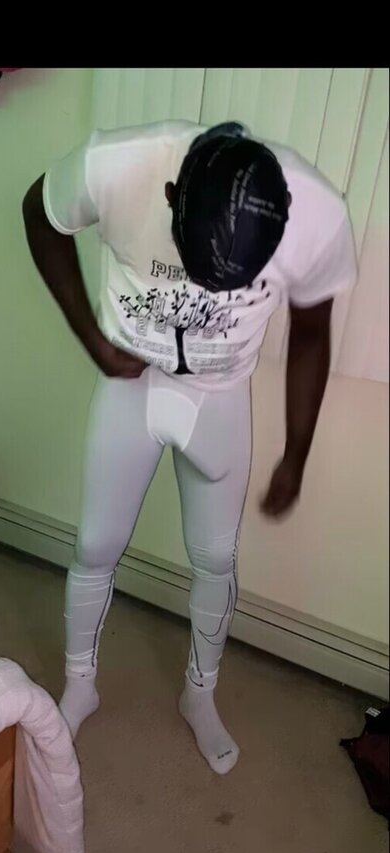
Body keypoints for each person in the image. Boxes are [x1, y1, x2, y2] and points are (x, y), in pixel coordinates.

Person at [23, 120, 357, 775]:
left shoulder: (318, 215)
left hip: (219, 398)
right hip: (131, 384)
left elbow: (313, 332)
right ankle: (80, 683)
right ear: (172, 195)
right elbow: (41, 212)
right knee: (95, 544)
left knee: (215, 558)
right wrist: (90, 337)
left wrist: (297, 452)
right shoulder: (115, 165)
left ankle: (199, 694)